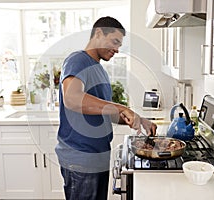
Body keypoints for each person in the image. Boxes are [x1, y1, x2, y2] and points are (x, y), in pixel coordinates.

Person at [55, 16, 157, 200]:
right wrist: (122, 107)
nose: (117, 49)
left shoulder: (99, 69)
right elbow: (71, 98)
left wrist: (138, 120)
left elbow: (105, 113)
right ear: (99, 33)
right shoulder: (77, 60)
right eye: (115, 42)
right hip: (81, 158)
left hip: (97, 155)